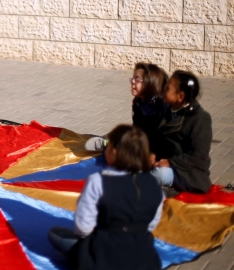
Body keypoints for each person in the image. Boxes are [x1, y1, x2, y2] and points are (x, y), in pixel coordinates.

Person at [48, 124, 164, 270]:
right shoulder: (153, 184)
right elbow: (152, 224)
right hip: (144, 259)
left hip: (103, 257)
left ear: (114, 151)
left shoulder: (98, 181)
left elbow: (83, 228)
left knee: (56, 234)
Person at [85, 62, 168, 153]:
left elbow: (161, 137)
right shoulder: (138, 101)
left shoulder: (162, 104)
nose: (132, 82)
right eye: (133, 78)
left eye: (137, 79)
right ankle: (107, 141)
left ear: (150, 82)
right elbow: (137, 126)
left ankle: (111, 143)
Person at [151, 70, 212, 194]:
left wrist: (169, 162)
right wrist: (152, 154)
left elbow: (199, 155)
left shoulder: (200, 118)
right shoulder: (168, 110)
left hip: (187, 172)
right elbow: (158, 139)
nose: (164, 88)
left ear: (180, 96)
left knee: (157, 175)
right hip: (164, 163)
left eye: (168, 87)